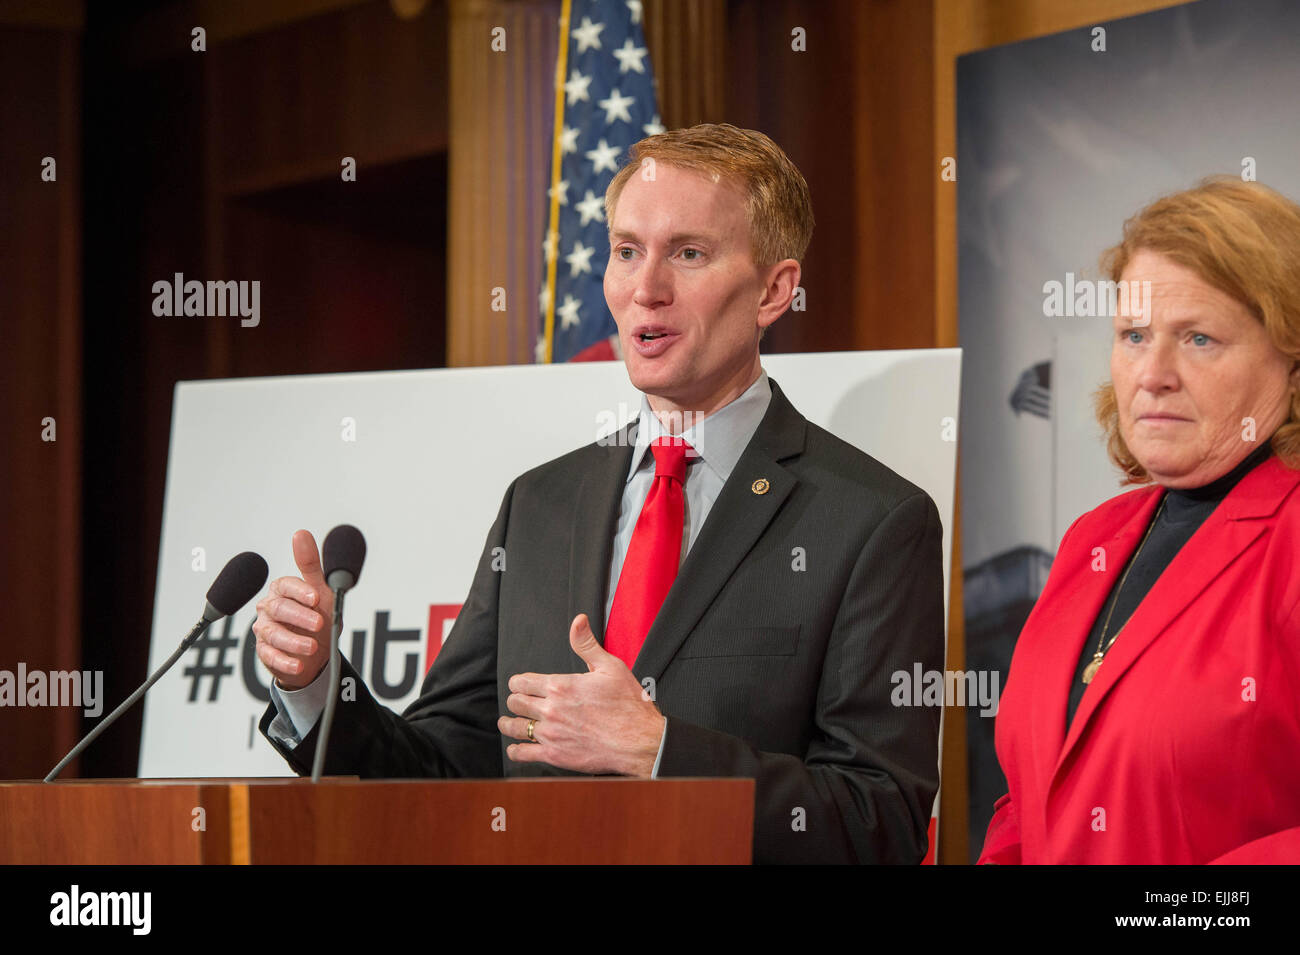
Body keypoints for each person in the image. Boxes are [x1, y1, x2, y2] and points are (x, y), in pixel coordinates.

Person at [254, 123, 945, 864]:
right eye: (625, 251)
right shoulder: (541, 504)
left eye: (689, 253)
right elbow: (443, 769)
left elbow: (883, 820)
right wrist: (320, 686)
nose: (645, 288)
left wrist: (663, 752)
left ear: (775, 290)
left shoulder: (873, 521)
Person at [981, 177, 1300, 864]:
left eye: (1200, 338)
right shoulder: (1093, 538)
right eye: (1134, 334)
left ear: (1290, 357)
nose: (1152, 373)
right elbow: (1029, 795)